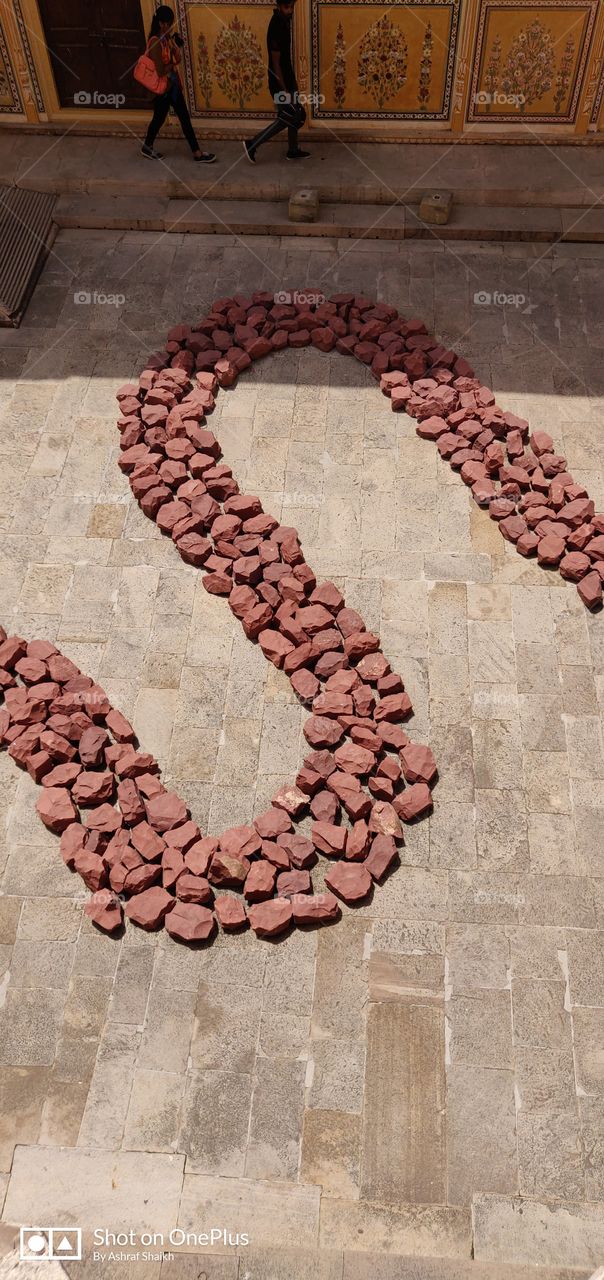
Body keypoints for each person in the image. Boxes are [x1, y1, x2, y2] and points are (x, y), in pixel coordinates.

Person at [141, 5, 216, 163]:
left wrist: (175, 48)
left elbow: (176, 59)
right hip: (162, 90)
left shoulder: (166, 39)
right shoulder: (155, 42)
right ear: (161, 24)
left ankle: (197, 152)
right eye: (169, 23)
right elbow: (161, 71)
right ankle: (147, 146)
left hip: (172, 86)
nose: (171, 26)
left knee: (183, 117)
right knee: (159, 119)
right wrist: (173, 62)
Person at [243, 0, 309, 164]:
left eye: (292, 7)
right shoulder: (276, 27)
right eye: (287, 7)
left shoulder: (284, 21)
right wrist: (285, 91)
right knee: (287, 116)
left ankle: (293, 150)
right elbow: (276, 64)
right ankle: (252, 144)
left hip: (288, 77)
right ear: (279, 6)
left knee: (297, 114)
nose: (290, 10)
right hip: (279, 81)